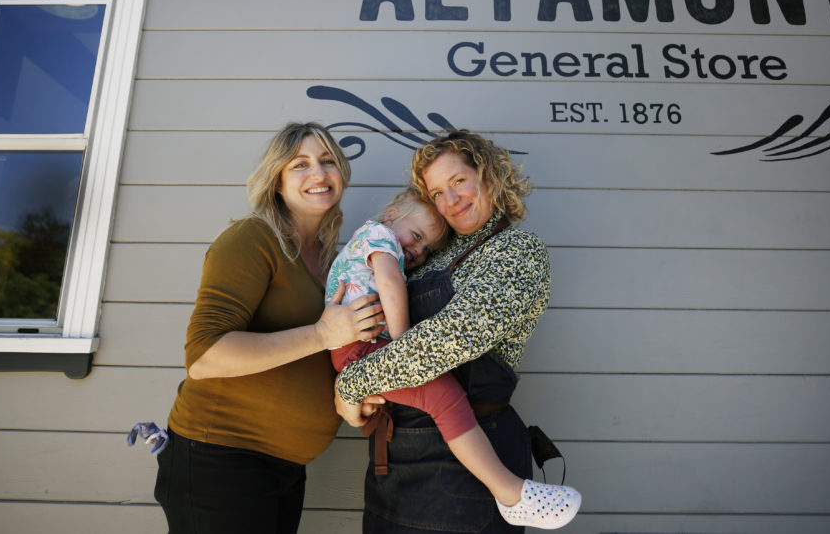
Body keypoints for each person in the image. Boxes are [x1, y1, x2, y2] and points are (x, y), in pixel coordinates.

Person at [334, 129, 579, 532]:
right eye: (435, 194)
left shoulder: (516, 251)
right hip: (394, 462)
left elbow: (448, 341)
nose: (450, 202)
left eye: (458, 181)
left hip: (463, 472)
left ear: (489, 174)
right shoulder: (428, 254)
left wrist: (349, 384)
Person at [154, 122, 386, 534]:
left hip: (283, 468)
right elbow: (204, 357)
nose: (318, 173)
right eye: (300, 164)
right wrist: (322, 334)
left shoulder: (332, 261)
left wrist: (350, 393)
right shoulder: (253, 238)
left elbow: (319, 357)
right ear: (277, 181)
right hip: (221, 459)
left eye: (328, 161)